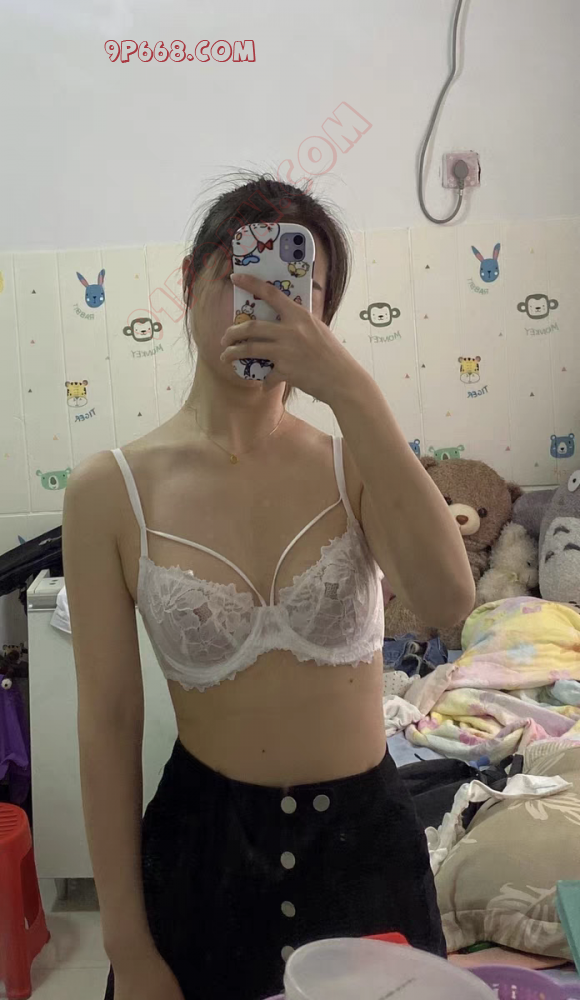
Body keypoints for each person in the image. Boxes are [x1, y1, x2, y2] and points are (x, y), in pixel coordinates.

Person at [62, 173, 475, 1000]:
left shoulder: (352, 462)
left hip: (365, 853)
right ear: (191, 282)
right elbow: (108, 724)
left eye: (298, 287)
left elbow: (448, 601)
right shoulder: (110, 490)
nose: (264, 303)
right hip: (203, 853)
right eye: (241, 274)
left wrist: (351, 390)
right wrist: (128, 946)